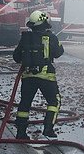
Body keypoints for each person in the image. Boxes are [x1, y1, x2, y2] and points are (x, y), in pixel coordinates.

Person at [12, 10, 64, 140]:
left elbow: (16, 57)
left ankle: (21, 133)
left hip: (28, 76)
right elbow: (58, 53)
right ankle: (48, 128)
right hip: (46, 76)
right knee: (54, 101)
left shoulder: (25, 38)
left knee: (24, 104)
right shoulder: (51, 37)